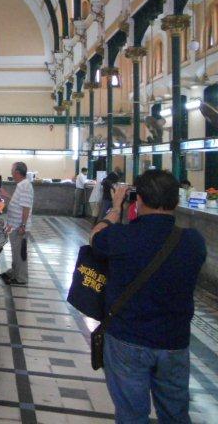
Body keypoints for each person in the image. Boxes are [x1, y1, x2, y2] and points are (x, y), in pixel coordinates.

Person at [91, 171, 206, 423]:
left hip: (127, 338)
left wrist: (115, 209)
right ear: (175, 202)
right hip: (174, 340)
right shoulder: (194, 242)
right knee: (175, 413)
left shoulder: (122, 237)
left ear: (138, 199)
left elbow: (96, 237)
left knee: (132, 414)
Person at [0, 162, 34, 286]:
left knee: (20, 253)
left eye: (12, 171)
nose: (11, 174)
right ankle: (14, 272)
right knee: (16, 251)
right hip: (14, 225)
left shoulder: (25, 186)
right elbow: (18, 202)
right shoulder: (21, 185)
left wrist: (23, 226)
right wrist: (6, 195)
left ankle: (21, 278)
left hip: (20, 227)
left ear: (18, 172)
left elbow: (26, 208)